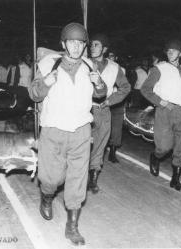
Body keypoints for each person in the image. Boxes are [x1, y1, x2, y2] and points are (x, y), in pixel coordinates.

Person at [28, 22, 107, 246]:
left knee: (77, 180)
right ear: (63, 44)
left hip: (81, 130)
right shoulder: (47, 63)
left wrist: (99, 84)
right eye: (71, 42)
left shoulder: (89, 65)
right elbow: (33, 93)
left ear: (84, 46)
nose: (75, 47)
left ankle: (72, 227)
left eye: (80, 43)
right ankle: (47, 195)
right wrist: (45, 83)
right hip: (53, 129)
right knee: (51, 178)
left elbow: (101, 94)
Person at [140, 39, 181, 191]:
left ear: (180, 54)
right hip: (166, 110)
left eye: (174, 51)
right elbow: (145, 89)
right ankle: (155, 157)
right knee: (164, 146)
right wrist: (161, 102)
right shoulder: (159, 68)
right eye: (168, 51)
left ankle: (175, 179)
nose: (170, 53)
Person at [87, 34, 131, 193]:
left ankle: (93, 178)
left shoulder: (114, 67)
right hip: (84, 109)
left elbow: (125, 88)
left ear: (104, 49)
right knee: (83, 143)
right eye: (91, 45)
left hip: (104, 110)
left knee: (100, 145)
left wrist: (110, 101)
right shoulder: (84, 62)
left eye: (96, 45)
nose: (92, 47)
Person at [107, 50, 128, 163]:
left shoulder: (120, 69)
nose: (111, 58)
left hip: (117, 101)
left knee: (116, 128)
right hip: (104, 100)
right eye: (109, 56)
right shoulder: (103, 67)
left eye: (113, 56)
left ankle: (112, 152)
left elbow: (123, 87)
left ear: (116, 57)